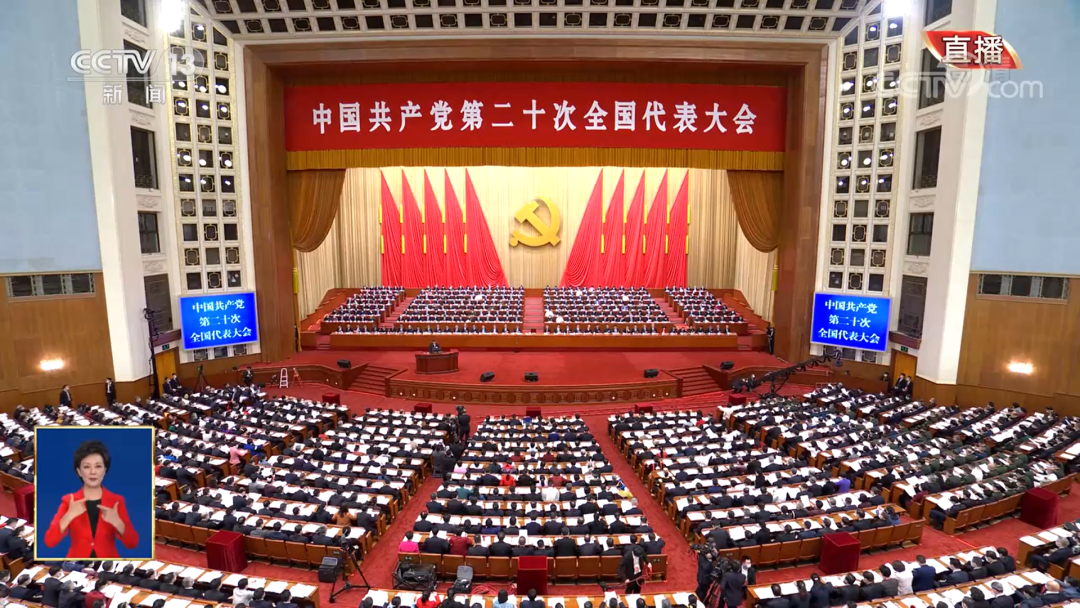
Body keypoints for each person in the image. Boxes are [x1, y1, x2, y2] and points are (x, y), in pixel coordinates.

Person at [44, 440, 139, 558]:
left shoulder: (116, 501)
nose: (93, 472)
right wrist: (68, 516)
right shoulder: (69, 500)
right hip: (77, 563)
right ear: (79, 471)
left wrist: (118, 522)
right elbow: (50, 541)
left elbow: (132, 543)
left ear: (105, 470)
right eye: (87, 467)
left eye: (98, 466)